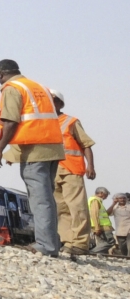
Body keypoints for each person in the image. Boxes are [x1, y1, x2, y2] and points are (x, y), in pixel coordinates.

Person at [0, 60, 63, 257]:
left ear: (0, 74)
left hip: (34, 149)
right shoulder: (40, 87)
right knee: (46, 197)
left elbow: (11, 122)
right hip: (53, 147)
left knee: (40, 199)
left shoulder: (12, 89)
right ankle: (51, 243)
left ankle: (46, 246)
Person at [51, 90, 98, 256]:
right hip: (53, 171)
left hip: (71, 169)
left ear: (59, 103)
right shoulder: (44, 123)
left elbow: (86, 144)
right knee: (61, 210)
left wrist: (90, 165)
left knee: (77, 208)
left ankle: (80, 243)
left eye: (53, 100)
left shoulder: (71, 121)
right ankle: (68, 241)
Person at [90, 187, 114, 254]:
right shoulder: (95, 200)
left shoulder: (97, 201)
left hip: (100, 226)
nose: (106, 197)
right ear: (101, 193)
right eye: (106, 195)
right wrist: (97, 228)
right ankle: (92, 253)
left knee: (102, 243)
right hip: (102, 226)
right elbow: (95, 214)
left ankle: (100, 255)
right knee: (110, 241)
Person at [109, 194, 130, 258]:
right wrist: (113, 203)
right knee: (123, 247)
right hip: (120, 231)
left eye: (124, 198)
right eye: (120, 198)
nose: (122, 200)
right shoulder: (115, 207)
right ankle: (125, 259)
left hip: (129, 230)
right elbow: (107, 213)